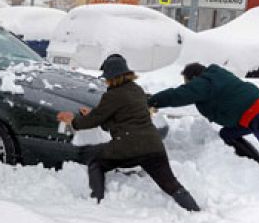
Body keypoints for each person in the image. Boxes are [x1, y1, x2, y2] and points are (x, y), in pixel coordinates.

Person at [57, 54, 201, 212]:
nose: (105, 81)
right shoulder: (137, 90)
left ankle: (96, 201)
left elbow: (94, 120)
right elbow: (115, 118)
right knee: (170, 184)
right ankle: (195, 210)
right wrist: (92, 114)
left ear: (112, 77)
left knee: (96, 162)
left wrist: (73, 120)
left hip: (128, 146)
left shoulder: (112, 95)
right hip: (153, 146)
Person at [148, 63, 259, 173]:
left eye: (188, 82)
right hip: (254, 116)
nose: (187, 86)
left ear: (194, 78)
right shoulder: (214, 78)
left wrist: (152, 101)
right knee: (228, 134)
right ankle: (256, 163)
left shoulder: (205, 83)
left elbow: (178, 95)